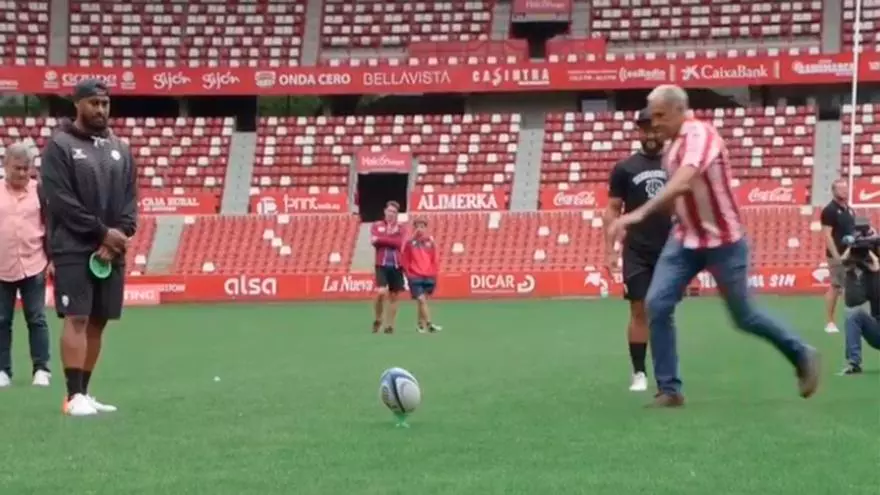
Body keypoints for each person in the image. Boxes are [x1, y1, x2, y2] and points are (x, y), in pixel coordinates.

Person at [607, 85, 820, 407]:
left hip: (724, 241)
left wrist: (634, 216)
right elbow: (680, 195)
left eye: (661, 116)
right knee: (656, 305)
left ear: (680, 111)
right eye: (653, 117)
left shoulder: (700, 136)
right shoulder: (670, 149)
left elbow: (683, 180)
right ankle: (669, 390)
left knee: (744, 316)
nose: (656, 123)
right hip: (685, 240)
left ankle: (802, 355)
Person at [40, 79, 138, 417]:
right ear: (77, 104)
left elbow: (129, 201)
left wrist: (118, 237)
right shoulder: (60, 146)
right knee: (78, 317)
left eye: (105, 103)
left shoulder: (121, 148)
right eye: (94, 103)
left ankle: (85, 392)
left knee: (98, 320)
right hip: (73, 247)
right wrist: (101, 233)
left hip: (111, 250)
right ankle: (72, 396)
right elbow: (60, 201)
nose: (101, 109)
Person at [604, 109, 670, 392]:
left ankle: (667, 373)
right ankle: (640, 372)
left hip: (670, 249)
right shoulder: (625, 168)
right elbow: (612, 210)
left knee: (664, 311)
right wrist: (610, 250)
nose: (651, 135)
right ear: (639, 133)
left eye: (656, 129)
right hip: (637, 250)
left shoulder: (677, 164)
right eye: (646, 130)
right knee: (639, 309)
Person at [0, 142, 53, 388]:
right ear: (5, 165)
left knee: (37, 318)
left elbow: (50, 226)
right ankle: (3, 371)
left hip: (34, 264)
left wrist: (51, 260)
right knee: (2, 320)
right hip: (2, 266)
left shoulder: (40, 191)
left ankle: (42, 369)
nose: (22, 173)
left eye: (26, 168)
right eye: (17, 168)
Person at [820, 179, 856, 334]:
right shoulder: (829, 210)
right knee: (835, 287)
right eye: (840, 189)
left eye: (845, 188)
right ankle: (830, 321)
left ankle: (854, 320)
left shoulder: (850, 209)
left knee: (853, 287)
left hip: (851, 254)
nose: (844, 191)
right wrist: (836, 256)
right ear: (833, 191)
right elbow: (827, 236)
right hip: (837, 255)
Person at [840, 247, 880, 374]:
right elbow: (852, 301)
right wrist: (852, 248)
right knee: (853, 314)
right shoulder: (872, 278)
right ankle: (854, 363)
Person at [401, 217, 442, 334]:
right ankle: (429, 324)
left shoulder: (430, 242)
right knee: (421, 300)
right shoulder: (410, 243)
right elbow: (405, 259)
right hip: (415, 275)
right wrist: (408, 273)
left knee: (422, 301)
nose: (420, 229)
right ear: (414, 228)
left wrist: (433, 273)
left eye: (422, 226)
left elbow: (434, 259)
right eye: (418, 226)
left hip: (428, 275)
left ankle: (419, 325)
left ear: (426, 228)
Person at [371, 201, 405, 334]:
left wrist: (384, 239)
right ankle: (378, 318)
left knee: (394, 296)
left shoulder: (402, 227)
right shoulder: (376, 225)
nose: (391, 214)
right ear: (385, 211)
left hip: (397, 264)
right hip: (381, 264)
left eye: (394, 212)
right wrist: (391, 238)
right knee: (381, 292)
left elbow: (399, 243)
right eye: (389, 211)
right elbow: (374, 241)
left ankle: (389, 325)